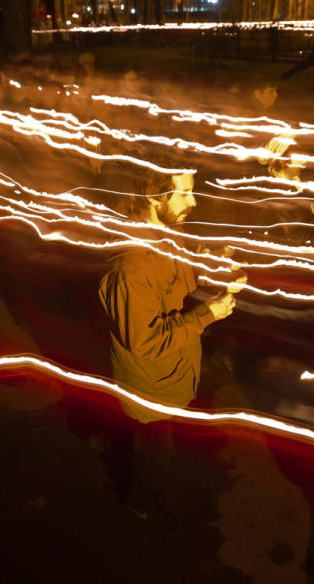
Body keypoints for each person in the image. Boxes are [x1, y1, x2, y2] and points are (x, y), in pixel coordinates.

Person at [98, 167, 240, 520]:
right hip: (151, 385)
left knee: (160, 445)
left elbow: (177, 282)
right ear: (153, 197)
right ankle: (140, 506)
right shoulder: (133, 267)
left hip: (173, 372)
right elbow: (144, 342)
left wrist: (210, 262)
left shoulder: (166, 236)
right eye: (184, 193)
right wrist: (207, 315)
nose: (193, 202)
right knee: (156, 452)